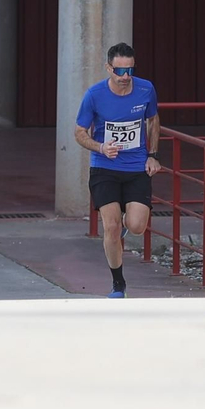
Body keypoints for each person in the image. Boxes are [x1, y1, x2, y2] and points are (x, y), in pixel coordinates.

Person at [74, 43, 162, 298]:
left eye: (130, 71)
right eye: (119, 71)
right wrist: (100, 147)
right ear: (108, 68)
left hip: (136, 167)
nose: (125, 77)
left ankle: (126, 223)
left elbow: (153, 119)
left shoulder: (146, 89)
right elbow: (79, 133)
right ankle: (118, 284)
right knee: (110, 227)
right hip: (105, 168)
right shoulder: (94, 95)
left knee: (136, 227)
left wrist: (153, 155)